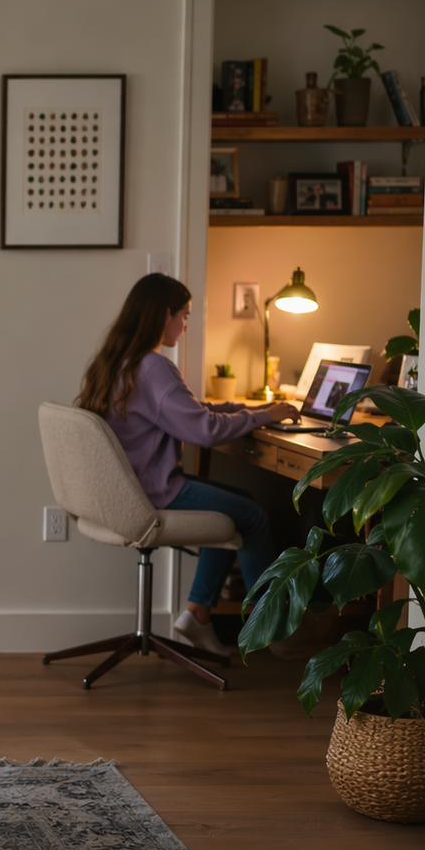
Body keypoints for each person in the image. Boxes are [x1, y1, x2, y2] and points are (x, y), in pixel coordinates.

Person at [76, 273, 300, 655]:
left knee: (236, 504)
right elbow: (203, 430)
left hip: (124, 491)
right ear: (165, 315)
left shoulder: (116, 360)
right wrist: (265, 416)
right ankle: (271, 627)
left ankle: (197, 613)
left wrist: (251, 409)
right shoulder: (153, 367)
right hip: (152, 494)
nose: (185, 326)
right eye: (185, 316)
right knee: (253, 516)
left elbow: (189, 412)